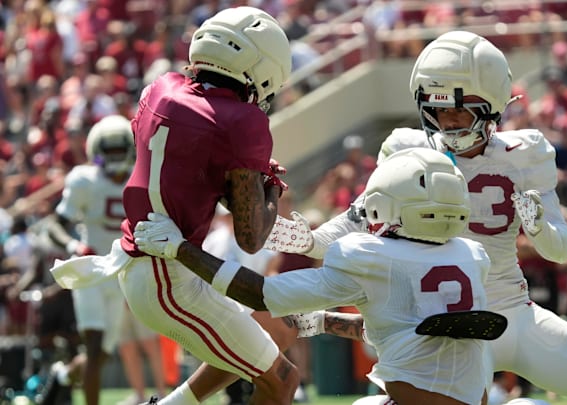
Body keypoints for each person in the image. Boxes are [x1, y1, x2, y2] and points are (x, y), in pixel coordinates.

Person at [262, 31, 567, 405]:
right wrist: (311, 240)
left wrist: (538, 225)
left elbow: (559, 250)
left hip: (512, 307)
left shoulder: (525, 153)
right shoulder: (408, 150)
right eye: (438, 108)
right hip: (445, 323)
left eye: (460, 108)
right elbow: (362, 214)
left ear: (491, 104)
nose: (448, 119)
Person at [50, 6, 298, 405]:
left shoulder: (160, 88)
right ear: (261, 66)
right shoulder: (243, 121)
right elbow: (252, 238)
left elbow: (183, 167)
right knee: (281, 379)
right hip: (168, 273)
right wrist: (269, 188)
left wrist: (233, 172)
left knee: (246, 347)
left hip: (149, 266)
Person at [133, 147, 495, 405]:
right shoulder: (471, 255)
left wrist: (180, 249)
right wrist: (321, 321)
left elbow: (260, 294)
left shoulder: (371, 255)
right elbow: (406, 326)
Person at [42, 114, 136, 405]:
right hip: (91, 271)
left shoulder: (139, 177)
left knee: (103, 354)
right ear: (96, 152)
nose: (117, 159)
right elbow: (55, 224)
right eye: (111, 152)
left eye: (121, 151)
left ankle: (62, 376)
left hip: (119, 272)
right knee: (95, 348)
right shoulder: (85, 179)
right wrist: (74, 243)